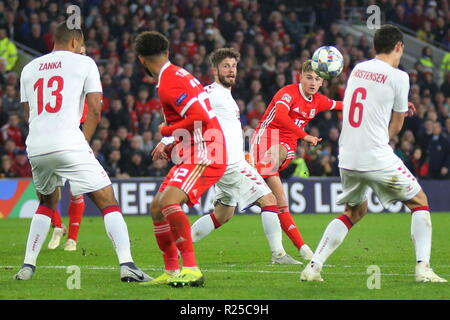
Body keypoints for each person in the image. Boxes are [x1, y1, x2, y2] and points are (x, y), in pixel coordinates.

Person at [301, 24, 447, 283]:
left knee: (354, 212)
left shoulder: (358, 69)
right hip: (375, 154)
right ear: (399, 46)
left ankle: (313, 267)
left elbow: (364, 101)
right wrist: (387, 138)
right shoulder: (400, 76)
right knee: (419, 201)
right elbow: (398, 124)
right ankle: (423, 269)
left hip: (347, 156)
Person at [14, 21, 150, 283]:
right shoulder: (84, 63)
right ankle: (128, 265)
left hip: (37, 144)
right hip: (69, 141)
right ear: (76, 42)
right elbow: (96, 109)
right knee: (107, 201)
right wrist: (83, 141)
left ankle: (27, 266)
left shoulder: (29, 68)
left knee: (46, 204)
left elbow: (27, 113)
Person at [169, 48, 299, 264]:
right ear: (215, 70)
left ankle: (179, 246)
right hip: (229, 163)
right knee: (269, 200)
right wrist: (169, 140)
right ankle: (279, 255)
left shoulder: (226, 96)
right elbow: (188, 113)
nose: (231, 70)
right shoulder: (210, 93)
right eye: (226, 66)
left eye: (234, 66)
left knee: (223, 214)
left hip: (226, 161)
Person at [134, 31, 227, 287]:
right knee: (157, 208)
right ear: (167, 51)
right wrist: (174, 141)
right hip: (192, 149)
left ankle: (192, 269)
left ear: (141, 59)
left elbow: (201, 117)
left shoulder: (169, 82)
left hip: (208, 150)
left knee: (169, 202)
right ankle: (172, 271)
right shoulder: (176, 74)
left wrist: (166, 132)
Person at [250, 60, 343, 260]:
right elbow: (282, 117)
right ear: (300, 76)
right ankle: (304, 250)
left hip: (287, 146)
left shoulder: (318, 101)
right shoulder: (287, 93)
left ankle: (284, 253)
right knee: (273, 164)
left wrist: (381, 105)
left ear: (321, 83)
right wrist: (305, 136)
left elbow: (342, 105)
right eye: (308, 77)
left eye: (317, 79)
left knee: (278, 202)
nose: (312, 82)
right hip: (267, 137)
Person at [48, 45, 89, 252]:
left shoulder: (86, 75)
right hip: (53, 133)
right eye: (78, 52)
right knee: (48, 187)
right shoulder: (61, 73)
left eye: (83, 53)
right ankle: (57, 225)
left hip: (75, 134)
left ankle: (72, 238)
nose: (81, 56)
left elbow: (94, 107)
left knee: (76, 188)